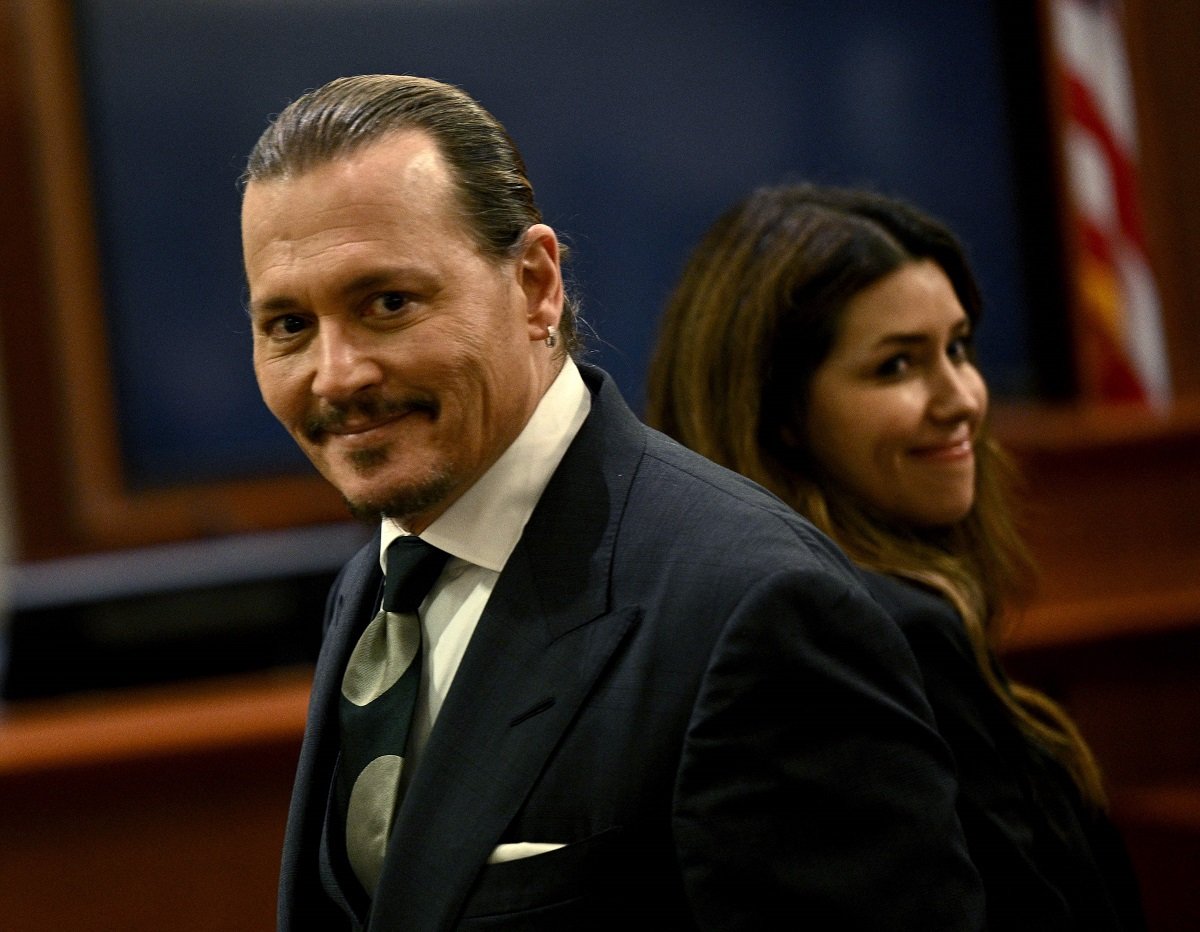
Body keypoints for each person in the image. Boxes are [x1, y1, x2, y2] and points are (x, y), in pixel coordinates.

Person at [241, 76, 987, 929]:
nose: (337, 375)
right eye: (288, 326)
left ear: (535, 286)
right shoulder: (377, 583)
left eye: (389, 303)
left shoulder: (757, 608)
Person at [646, 183, 1147, 930]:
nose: (963, 399)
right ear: (780, 415)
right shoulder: (869, 628)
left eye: (958, 348)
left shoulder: (728, 595)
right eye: (897, 367)